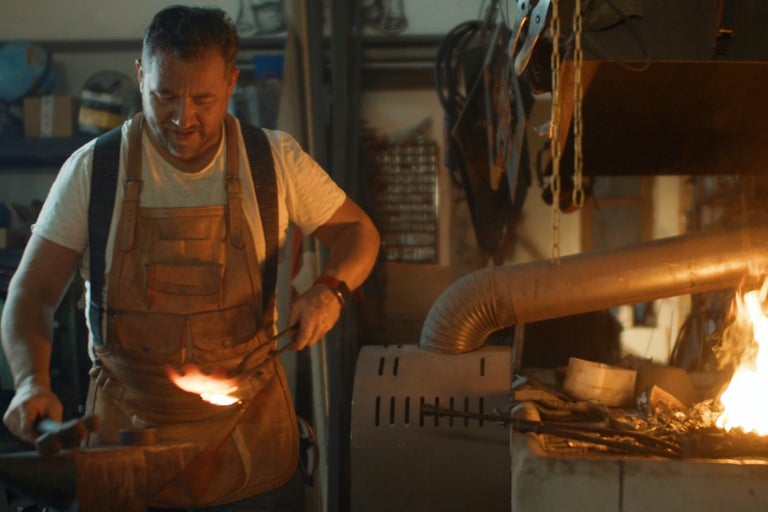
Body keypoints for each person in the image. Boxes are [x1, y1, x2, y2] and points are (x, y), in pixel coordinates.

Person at [1, 5, 380, 510]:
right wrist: (30, 382)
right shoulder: (96, 170)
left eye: (203, 98)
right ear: (141, 76)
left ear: (230, 83)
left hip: (248, 441)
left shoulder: (273, 161)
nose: (183, 118)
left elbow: (359, 231)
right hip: (125, 441)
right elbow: (32, 292)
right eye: (165, 95)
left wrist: (331, 290)